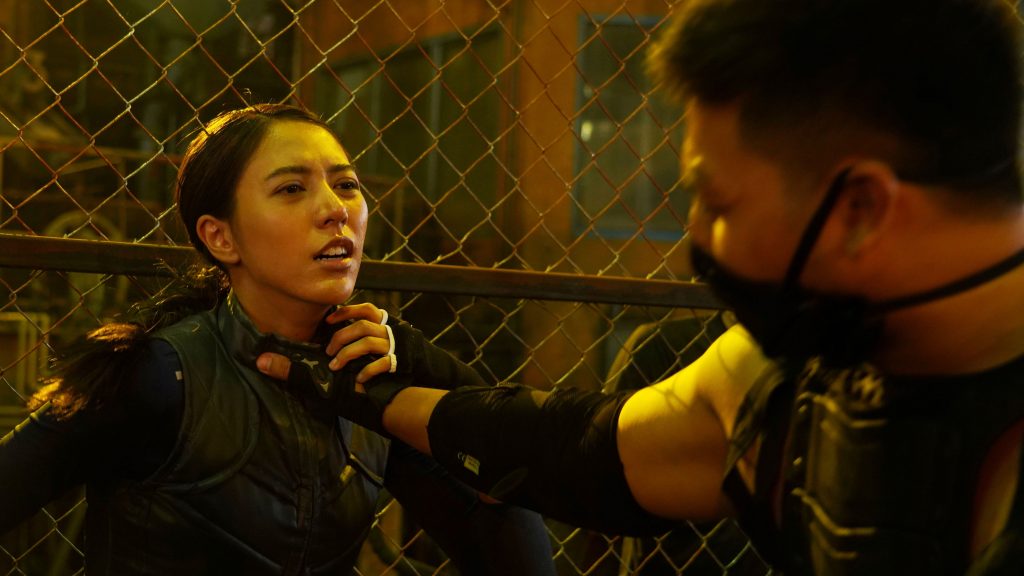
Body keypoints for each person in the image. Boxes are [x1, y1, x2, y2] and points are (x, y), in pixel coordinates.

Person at [256, 1, 1024, 574]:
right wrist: (375, 394)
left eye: (719, 204)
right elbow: (587, 452)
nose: (697, 238)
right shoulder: (780, 381)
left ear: (860, 210)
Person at [0, 104, 555, 575]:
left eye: (346, 185)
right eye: (291, 188)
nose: (335, 210)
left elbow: (512, 530)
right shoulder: (161, 375)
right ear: (221, 237)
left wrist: (418, 362)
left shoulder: (369, 381)